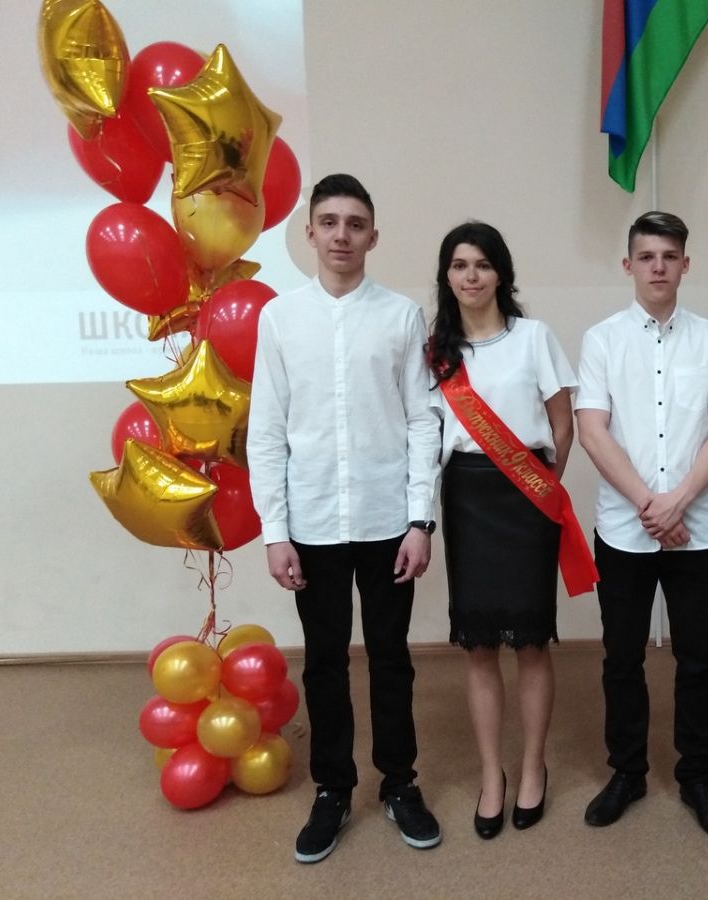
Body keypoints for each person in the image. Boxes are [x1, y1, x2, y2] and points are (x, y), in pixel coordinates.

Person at [247, 174, 442, 863]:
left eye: (355, 224)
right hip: (313, 522)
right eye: (328, 222)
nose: (341, 235)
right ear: (309, 232)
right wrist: (275, 532)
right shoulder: (280, 319)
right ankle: (332, 789)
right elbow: (266, 432)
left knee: (391, 659)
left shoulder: (400, 316)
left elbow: (423, 421)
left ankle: (399, 783)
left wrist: (420, 520)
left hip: (388, 519)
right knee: (325, 662)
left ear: (373, 236)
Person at [575, 211, 708, 839]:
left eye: (669, 256)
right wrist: (651, 503)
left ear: (685, 264)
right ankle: (628, 772)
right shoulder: (602, 340)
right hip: (624, 530)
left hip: (698, 529)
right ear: (628, 265)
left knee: (698, 659)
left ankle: (697, 776)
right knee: (622, 658)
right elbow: (593, 431)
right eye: (646, 256)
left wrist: (680, 501)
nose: (658, 267)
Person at [427, 221, 594, 839]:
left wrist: (543, 488)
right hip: (468, 496)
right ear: (446, 277)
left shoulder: (534, 337)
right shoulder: (438, 352)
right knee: (478, 643)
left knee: (530, 641)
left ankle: (532, 767)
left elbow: (562, 424)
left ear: (501, 273)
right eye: (459, 265)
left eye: (482, 264)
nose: (471, 276)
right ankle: (491, 774)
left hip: (526, 497)